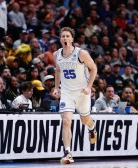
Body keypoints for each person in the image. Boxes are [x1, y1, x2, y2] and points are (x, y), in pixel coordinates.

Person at [52, 27, 97, 164]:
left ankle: (92, 128)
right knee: (66, 120)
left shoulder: (81, 53)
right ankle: (67, 153)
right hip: (66, 92)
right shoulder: (56, 54)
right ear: (60, 39)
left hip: (82, 92)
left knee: (85, 120)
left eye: (67, 36)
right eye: (63, 36)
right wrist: (56, 87)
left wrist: (89, 86)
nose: (65, 38)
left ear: (72, 39)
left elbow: (94, 68)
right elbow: (58, 71)